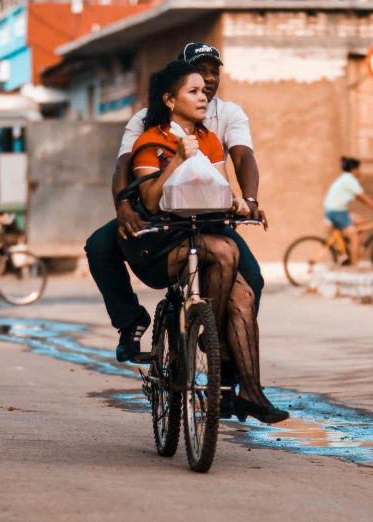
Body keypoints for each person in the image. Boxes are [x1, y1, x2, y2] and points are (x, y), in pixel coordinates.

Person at [85, 43, 266, 415]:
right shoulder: (146, 122)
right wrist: (123, 206)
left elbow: (242, 157)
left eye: (213, 71)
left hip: (205, 216)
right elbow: (124, 166)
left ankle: (223, 361)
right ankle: (131, 322)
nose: (209, 80)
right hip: (159, 215)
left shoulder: (224, 117)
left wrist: (247, 199)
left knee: (251, 281)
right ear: (174, 87)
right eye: (199, 74)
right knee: (100, 245)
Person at [118, 61, 287, 424]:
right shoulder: (151, 139)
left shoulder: (210, 138)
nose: (203, 95)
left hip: (202, 230)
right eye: (193, 91)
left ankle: (251, 395)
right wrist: (177, 157)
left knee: (244, 298)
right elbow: (148, 201)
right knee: (226, 250)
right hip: (163, 238)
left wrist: (241, 203)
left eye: (205, 91)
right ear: (169, 99)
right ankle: (211, 337)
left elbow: (217, 187)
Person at [323, 157, 373, 266]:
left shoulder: (345, 178)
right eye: (358, 169)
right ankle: (353, 266)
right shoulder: (349, 180)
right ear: (354, 170)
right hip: (337, 212)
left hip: (337, 211)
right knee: (355, 239)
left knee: (360, 221)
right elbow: (362, 197)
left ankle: (345, 249)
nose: (360, 172)